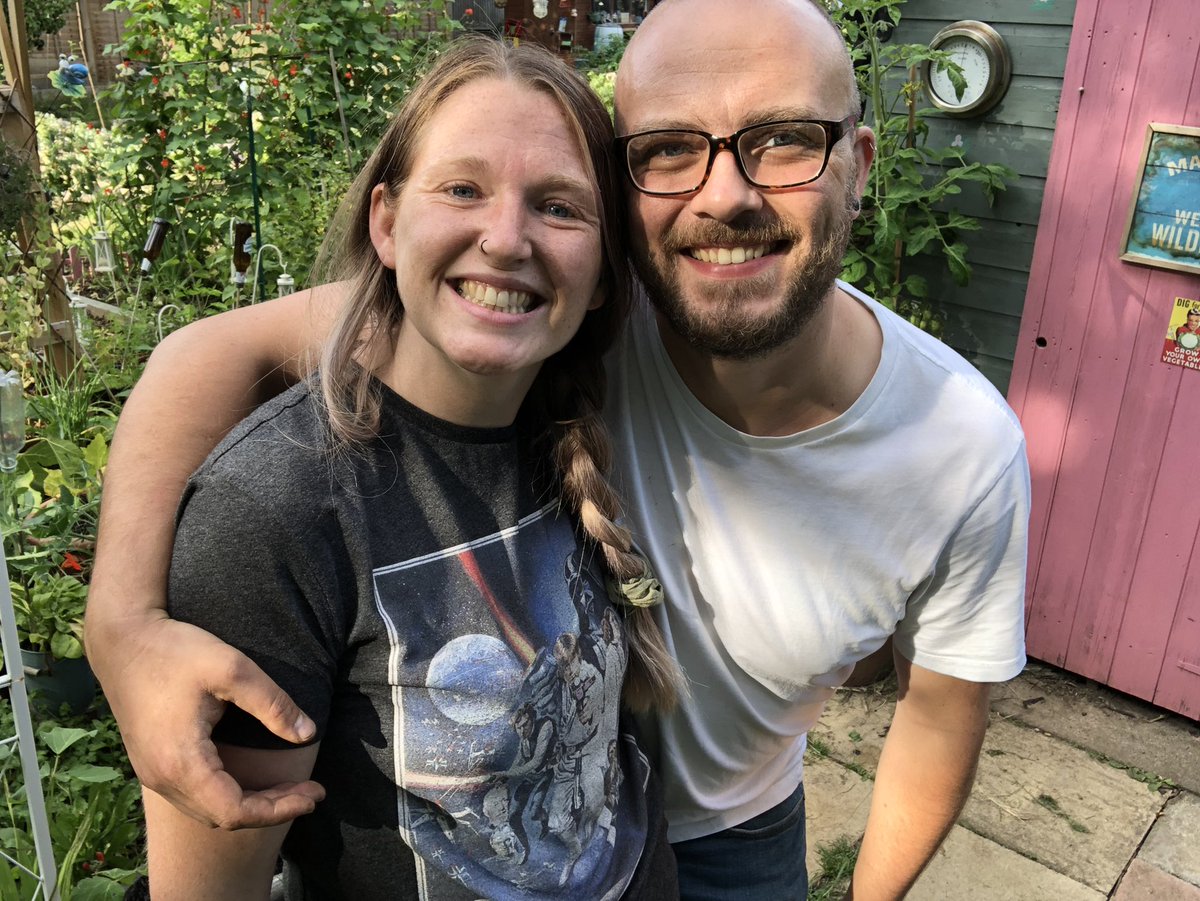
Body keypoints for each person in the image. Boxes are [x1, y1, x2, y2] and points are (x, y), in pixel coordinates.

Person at [86, 1, 1030, 898]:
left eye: (783, 139)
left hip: (738, 836)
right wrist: (124, 616)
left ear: (857, 164)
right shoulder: (553, 316)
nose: (726, 196)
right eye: (669, 150)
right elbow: (212, 351)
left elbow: (941, 713)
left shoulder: (959, 448)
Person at [134, 37, 681, 900]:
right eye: (463, 189)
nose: (506, 239)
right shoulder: (278, 510)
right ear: (386, 221)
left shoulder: (569, 417)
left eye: (560, 207)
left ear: (607, 272)